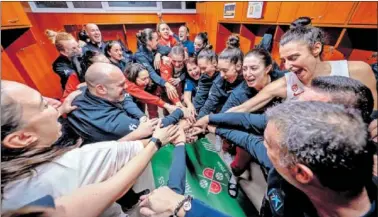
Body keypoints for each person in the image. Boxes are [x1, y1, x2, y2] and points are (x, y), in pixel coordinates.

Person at [1, 80, 180, 217]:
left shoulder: (76, 106)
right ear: (21, 138)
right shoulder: (59, 170)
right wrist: (156, 141)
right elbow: (113, 173)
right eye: (43, 105)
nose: (54, 103)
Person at [228, 26, 378, 114]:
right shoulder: (285, 83)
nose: (287, 66)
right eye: (284, 60)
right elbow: (245, 107)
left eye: (293, 58)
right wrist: (210, 119)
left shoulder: (358, 71)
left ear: (316, 48)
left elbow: (374, 109)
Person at [67, 62, 186, 144]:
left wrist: (141, 116)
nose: (126, 87)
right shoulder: (112, 121)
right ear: (101, 89)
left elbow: (126, 99)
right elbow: (152, 129)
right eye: (120, 85)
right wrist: (179, 112)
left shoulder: (81, 93)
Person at [196, 35, 244, 119]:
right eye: (220, 70)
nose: (221, 75)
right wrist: (199, 119)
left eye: (225, 70)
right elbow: (210, 103)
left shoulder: (249, 79)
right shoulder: (219, 82)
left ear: (238, 66)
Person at [134, 28, 178, 118]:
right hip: (148, 86)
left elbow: (169, 49)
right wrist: (167, 84)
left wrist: (159, 54)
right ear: (149, 41)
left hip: (159, 83)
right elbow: (151, 73)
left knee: (166, 104)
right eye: (156, 40)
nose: (158, 42)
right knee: (152, 110)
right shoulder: (139, 55)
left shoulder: (156, 48)